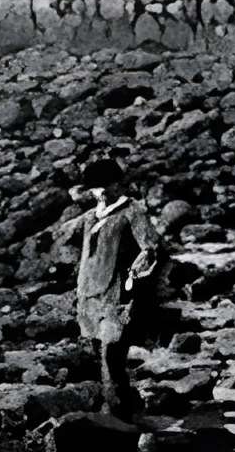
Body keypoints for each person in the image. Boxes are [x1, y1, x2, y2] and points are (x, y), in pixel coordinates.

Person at [67, 153, 164, 417]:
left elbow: (151, 246)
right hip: (89, 293)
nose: (99, 192)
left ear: (117, 185)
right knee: (99, 354)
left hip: (118, 293)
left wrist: (137, 272)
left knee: (113, 354)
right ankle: (120, 407)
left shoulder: (132, 212)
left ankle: (119, 414)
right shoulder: (90, 217)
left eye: (104, 186)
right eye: (95, 188)